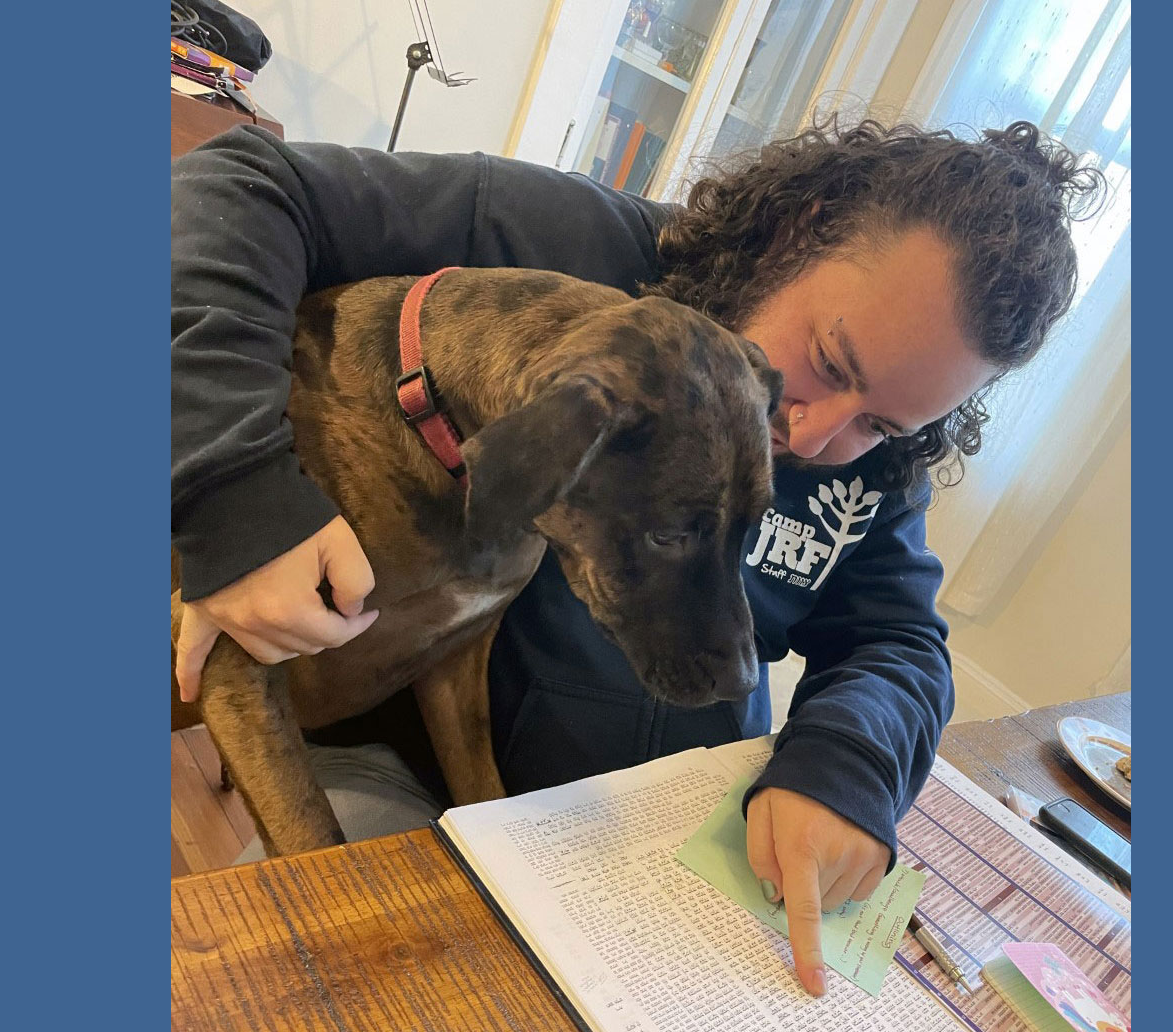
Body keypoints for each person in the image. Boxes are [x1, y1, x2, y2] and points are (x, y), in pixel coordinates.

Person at [171, 117, 1101, 997]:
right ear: (802, 230)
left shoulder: (874, 466)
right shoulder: (561, 247)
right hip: (418, 774)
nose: (813, 433)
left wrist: (845, 769)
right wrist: (236, 494)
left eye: (885, 423)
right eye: (830, 358)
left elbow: (899, 642)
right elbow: (237, 184)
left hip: (689, 823)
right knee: (322, 973)